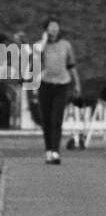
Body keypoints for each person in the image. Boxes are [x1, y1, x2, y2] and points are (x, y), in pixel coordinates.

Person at [36, 18, 82, 164]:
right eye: (51, 27)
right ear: (46, 29)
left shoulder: (66, 45)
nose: (54, 29)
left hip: (62, 85)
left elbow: (71, 65)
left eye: (56, 27)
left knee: (57, 119)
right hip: (45, 85)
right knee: (46, 121)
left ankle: (55, 152)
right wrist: (43, 41)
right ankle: (48, 151)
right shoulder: (40, 45)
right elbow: (34, 58)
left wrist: (77, 84)